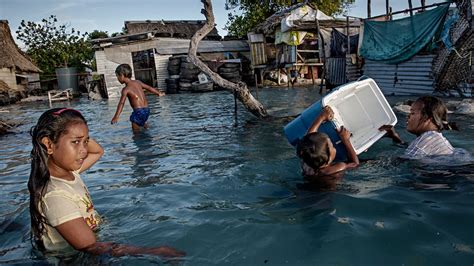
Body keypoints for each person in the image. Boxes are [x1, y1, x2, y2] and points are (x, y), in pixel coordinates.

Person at [29, 108, 185, 257]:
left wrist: (79, 134)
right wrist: (151, 251)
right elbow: (90, 246)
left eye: (86, 141)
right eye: (75, 142)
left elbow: (98, 151)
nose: (84, 150)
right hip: (71, 259)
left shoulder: (71, 173)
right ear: (48, 145)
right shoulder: (55, 196)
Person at [379, 96, 458, 159]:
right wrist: (395, 137)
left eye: (412, 113)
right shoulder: (432, 138)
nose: (408, 116)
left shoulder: (423, 143)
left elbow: (397, 163)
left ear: (427, 118)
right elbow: (412, 149)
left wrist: (367, 162)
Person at [296, 106, 359, 178]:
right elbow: (355, 164)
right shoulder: (337, 168)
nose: (333, 146)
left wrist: (321, 117)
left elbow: (309, 138)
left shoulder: (307, 161)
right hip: (329, 187)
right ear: (329, 158)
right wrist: (346, 140)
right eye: (332, 145)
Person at [111, 64, 165, 132]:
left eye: (117, 76)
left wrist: (116, 117)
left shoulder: (126, 89)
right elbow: (149, 88)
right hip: (147, 110)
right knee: (143, 124)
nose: (117, 79)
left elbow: (121, 103)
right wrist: (158, 93)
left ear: (122, 75)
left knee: (136, 133)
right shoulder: (138, 82)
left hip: (138, 112)